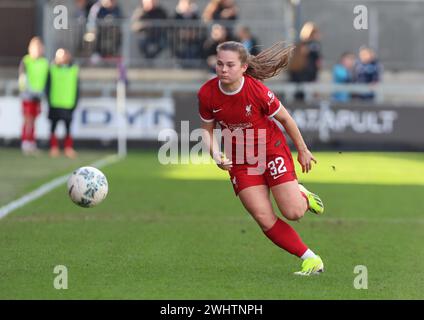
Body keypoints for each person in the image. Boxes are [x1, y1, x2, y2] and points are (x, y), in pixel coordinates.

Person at [198, 41, 325, 275]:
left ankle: (303, 195)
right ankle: (311, 259)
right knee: (264, 218)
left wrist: (303, 150)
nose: (223, 70)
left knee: (293, 212)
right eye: (219, 64)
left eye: (230, 65)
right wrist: (216, 154)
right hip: (241, 161)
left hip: (271, 151)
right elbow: (207, 130)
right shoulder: (207, 93)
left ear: (244, 67)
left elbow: (286, 119)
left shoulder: (256, 90)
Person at [46, 49, 80, 159]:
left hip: (68, 103)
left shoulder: (74, 69)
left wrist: (75, 101)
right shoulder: (52, 69)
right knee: (53, 126)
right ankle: (53, 147)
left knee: (68, 127)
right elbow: (48, 86)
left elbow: (77, 87)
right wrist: (48, 100)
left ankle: (68, 148)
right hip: (55, 102)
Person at [18, 37, 49, 155]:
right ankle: (25, 143)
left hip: (38, 96)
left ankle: (32, 143)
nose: (38, 50)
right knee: (28, 120)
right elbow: (22, 78)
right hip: (28, 96)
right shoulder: (26, 61)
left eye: (40, 48)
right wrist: (27, 91)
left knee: (34, 120)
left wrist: (42, 93)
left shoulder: (44, 62)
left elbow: (45, 79)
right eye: (36, 48)